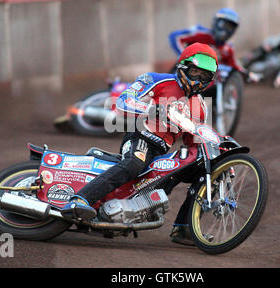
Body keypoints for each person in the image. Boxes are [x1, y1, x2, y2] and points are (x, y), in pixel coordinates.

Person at [61, 43, 218, 246]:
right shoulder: (156, 80)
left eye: (204, 77)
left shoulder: (201, 107)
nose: (198, 80)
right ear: (184, 66)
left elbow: (194, 144)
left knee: (203, 173)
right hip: (140, 136)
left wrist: (219, 156)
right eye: (196, 72)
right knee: (135, 162)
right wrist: (154, 110)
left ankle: (184, 228)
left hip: (162, 151)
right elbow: (122, 102)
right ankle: (79, 199)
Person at [168, 8, 261, 84]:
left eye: (230, 27)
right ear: (216, 22)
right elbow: (175, 37)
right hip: (183, 74)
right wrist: (184, 57)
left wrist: (248, 74)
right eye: (223, 24)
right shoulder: (200, 33)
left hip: (205, 82)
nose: (226, 29)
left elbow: (234, 66)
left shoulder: (228, 49)